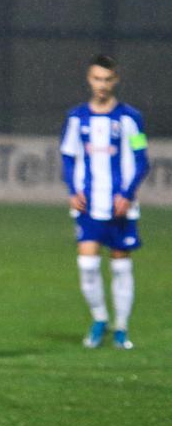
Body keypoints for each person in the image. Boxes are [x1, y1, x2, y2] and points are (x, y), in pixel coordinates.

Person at [60, 55, 150, 350]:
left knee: (121, 266)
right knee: (86, 263)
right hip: (87, 205)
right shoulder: (76, 117)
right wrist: (73, 190)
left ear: (115, 80)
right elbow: (68, 157)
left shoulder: (129, 118)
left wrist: (127, 193)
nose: (101, 85)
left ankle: (121, 327)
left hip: (119, 205)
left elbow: (141, 160)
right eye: (97, 79)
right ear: (89, 79)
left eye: (107, 79)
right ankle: (99, 319)